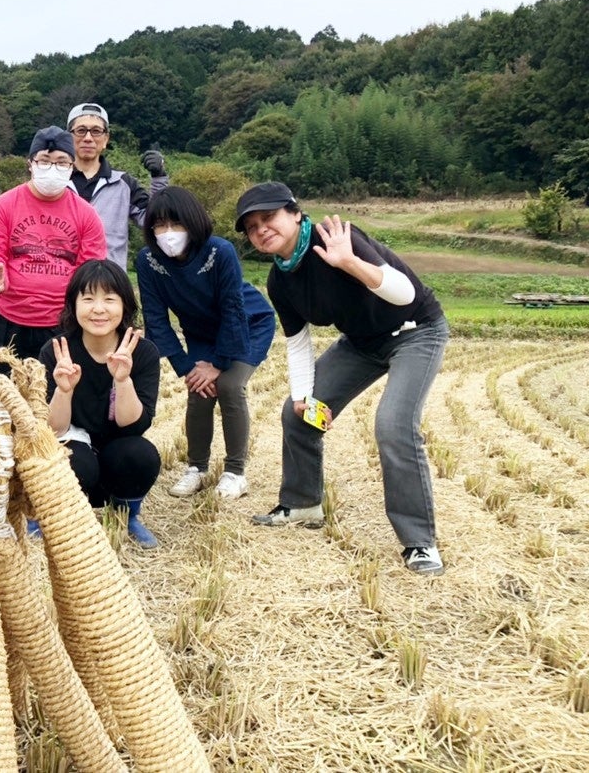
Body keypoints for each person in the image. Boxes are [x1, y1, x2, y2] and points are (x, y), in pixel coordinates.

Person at [235, 182, 449, 575]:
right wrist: (303, 396)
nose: (261, 229)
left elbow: (404, 293)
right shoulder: (280, 281)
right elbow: (298, 343)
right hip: (363, 344)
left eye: (269, 218)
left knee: (393, 425)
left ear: (295, 213)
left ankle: (419, 543)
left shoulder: (335, 237)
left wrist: (348, 262)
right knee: (296, 413)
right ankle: (302, 503)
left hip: (416, 331)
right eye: (251, 226)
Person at [137, 187, 276, 500]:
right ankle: (196, 469)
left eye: (176, 224)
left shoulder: (219, 252)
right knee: (198, 390)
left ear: (193, 223)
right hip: (200, 333)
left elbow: (233, 310)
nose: (168, 233)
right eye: (160, 226)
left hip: (247, 326)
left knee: (228, 386)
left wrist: (218, 364)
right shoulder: (148, 261)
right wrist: (187, 367)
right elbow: (156, 320)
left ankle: (235, 472)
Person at [39, 260, 163, 549]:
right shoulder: (57, 351)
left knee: (141, 454)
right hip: (74, 445)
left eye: (109, 299)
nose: (98, 309)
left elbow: (134, 424)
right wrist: (63, 390)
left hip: (116, 449)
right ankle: (55, 518)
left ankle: (126, 515)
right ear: (74, 304)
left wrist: (122, 380)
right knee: (74, 462)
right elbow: (52, 429)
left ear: (124, 306)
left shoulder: (142, 352)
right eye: (88, 298)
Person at [0, 125, 107, 362]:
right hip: (8, 319)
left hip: (61, 323)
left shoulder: (86, 214)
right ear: (30, 163)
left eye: (61, 163)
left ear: (72, 167)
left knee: (56, 393)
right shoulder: (4, 205)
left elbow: (90, 268)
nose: (52, 168)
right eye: (45, 161)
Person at [66, 101, 168, 270]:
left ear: (106, 139)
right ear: (68, 137)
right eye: (81, 131)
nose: (88, 138)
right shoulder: (56, 182)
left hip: (109, 282)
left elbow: (155, 219)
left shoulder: (123, 183)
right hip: (59, 283)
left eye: (96, 131)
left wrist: (159, 177)